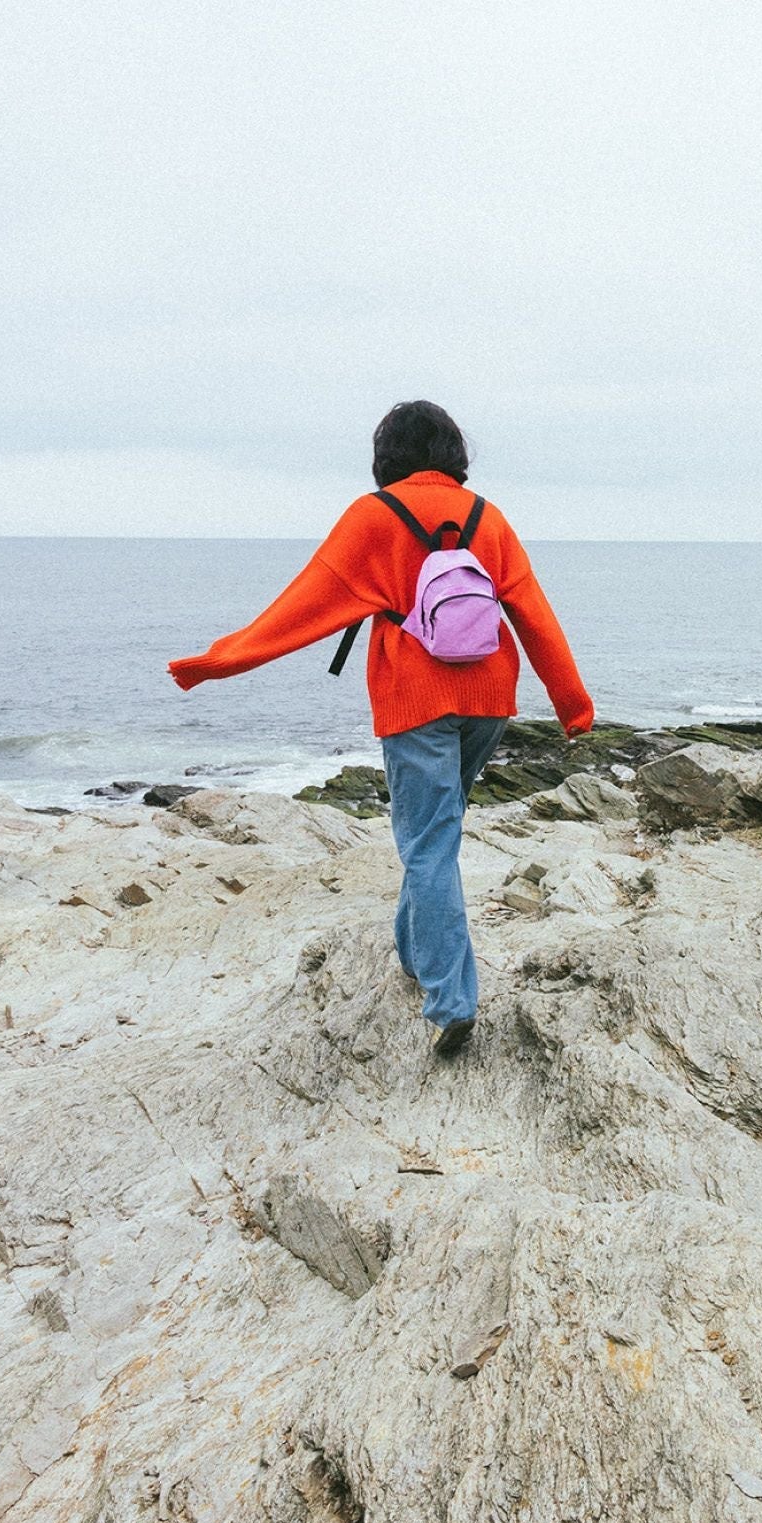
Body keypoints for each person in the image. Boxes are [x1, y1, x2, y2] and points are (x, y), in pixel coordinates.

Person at [168, 400, 594, 1055]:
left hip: (416, 698)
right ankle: (415, 952)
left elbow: (298, 607)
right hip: (490, 697)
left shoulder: (375, 516)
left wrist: (216, 662)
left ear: (387, 455)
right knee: (437, 832)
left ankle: (452, 1002)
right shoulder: (489, 518)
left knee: (428, 844)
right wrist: (573, 706)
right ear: (454, 451)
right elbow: (534, 614)